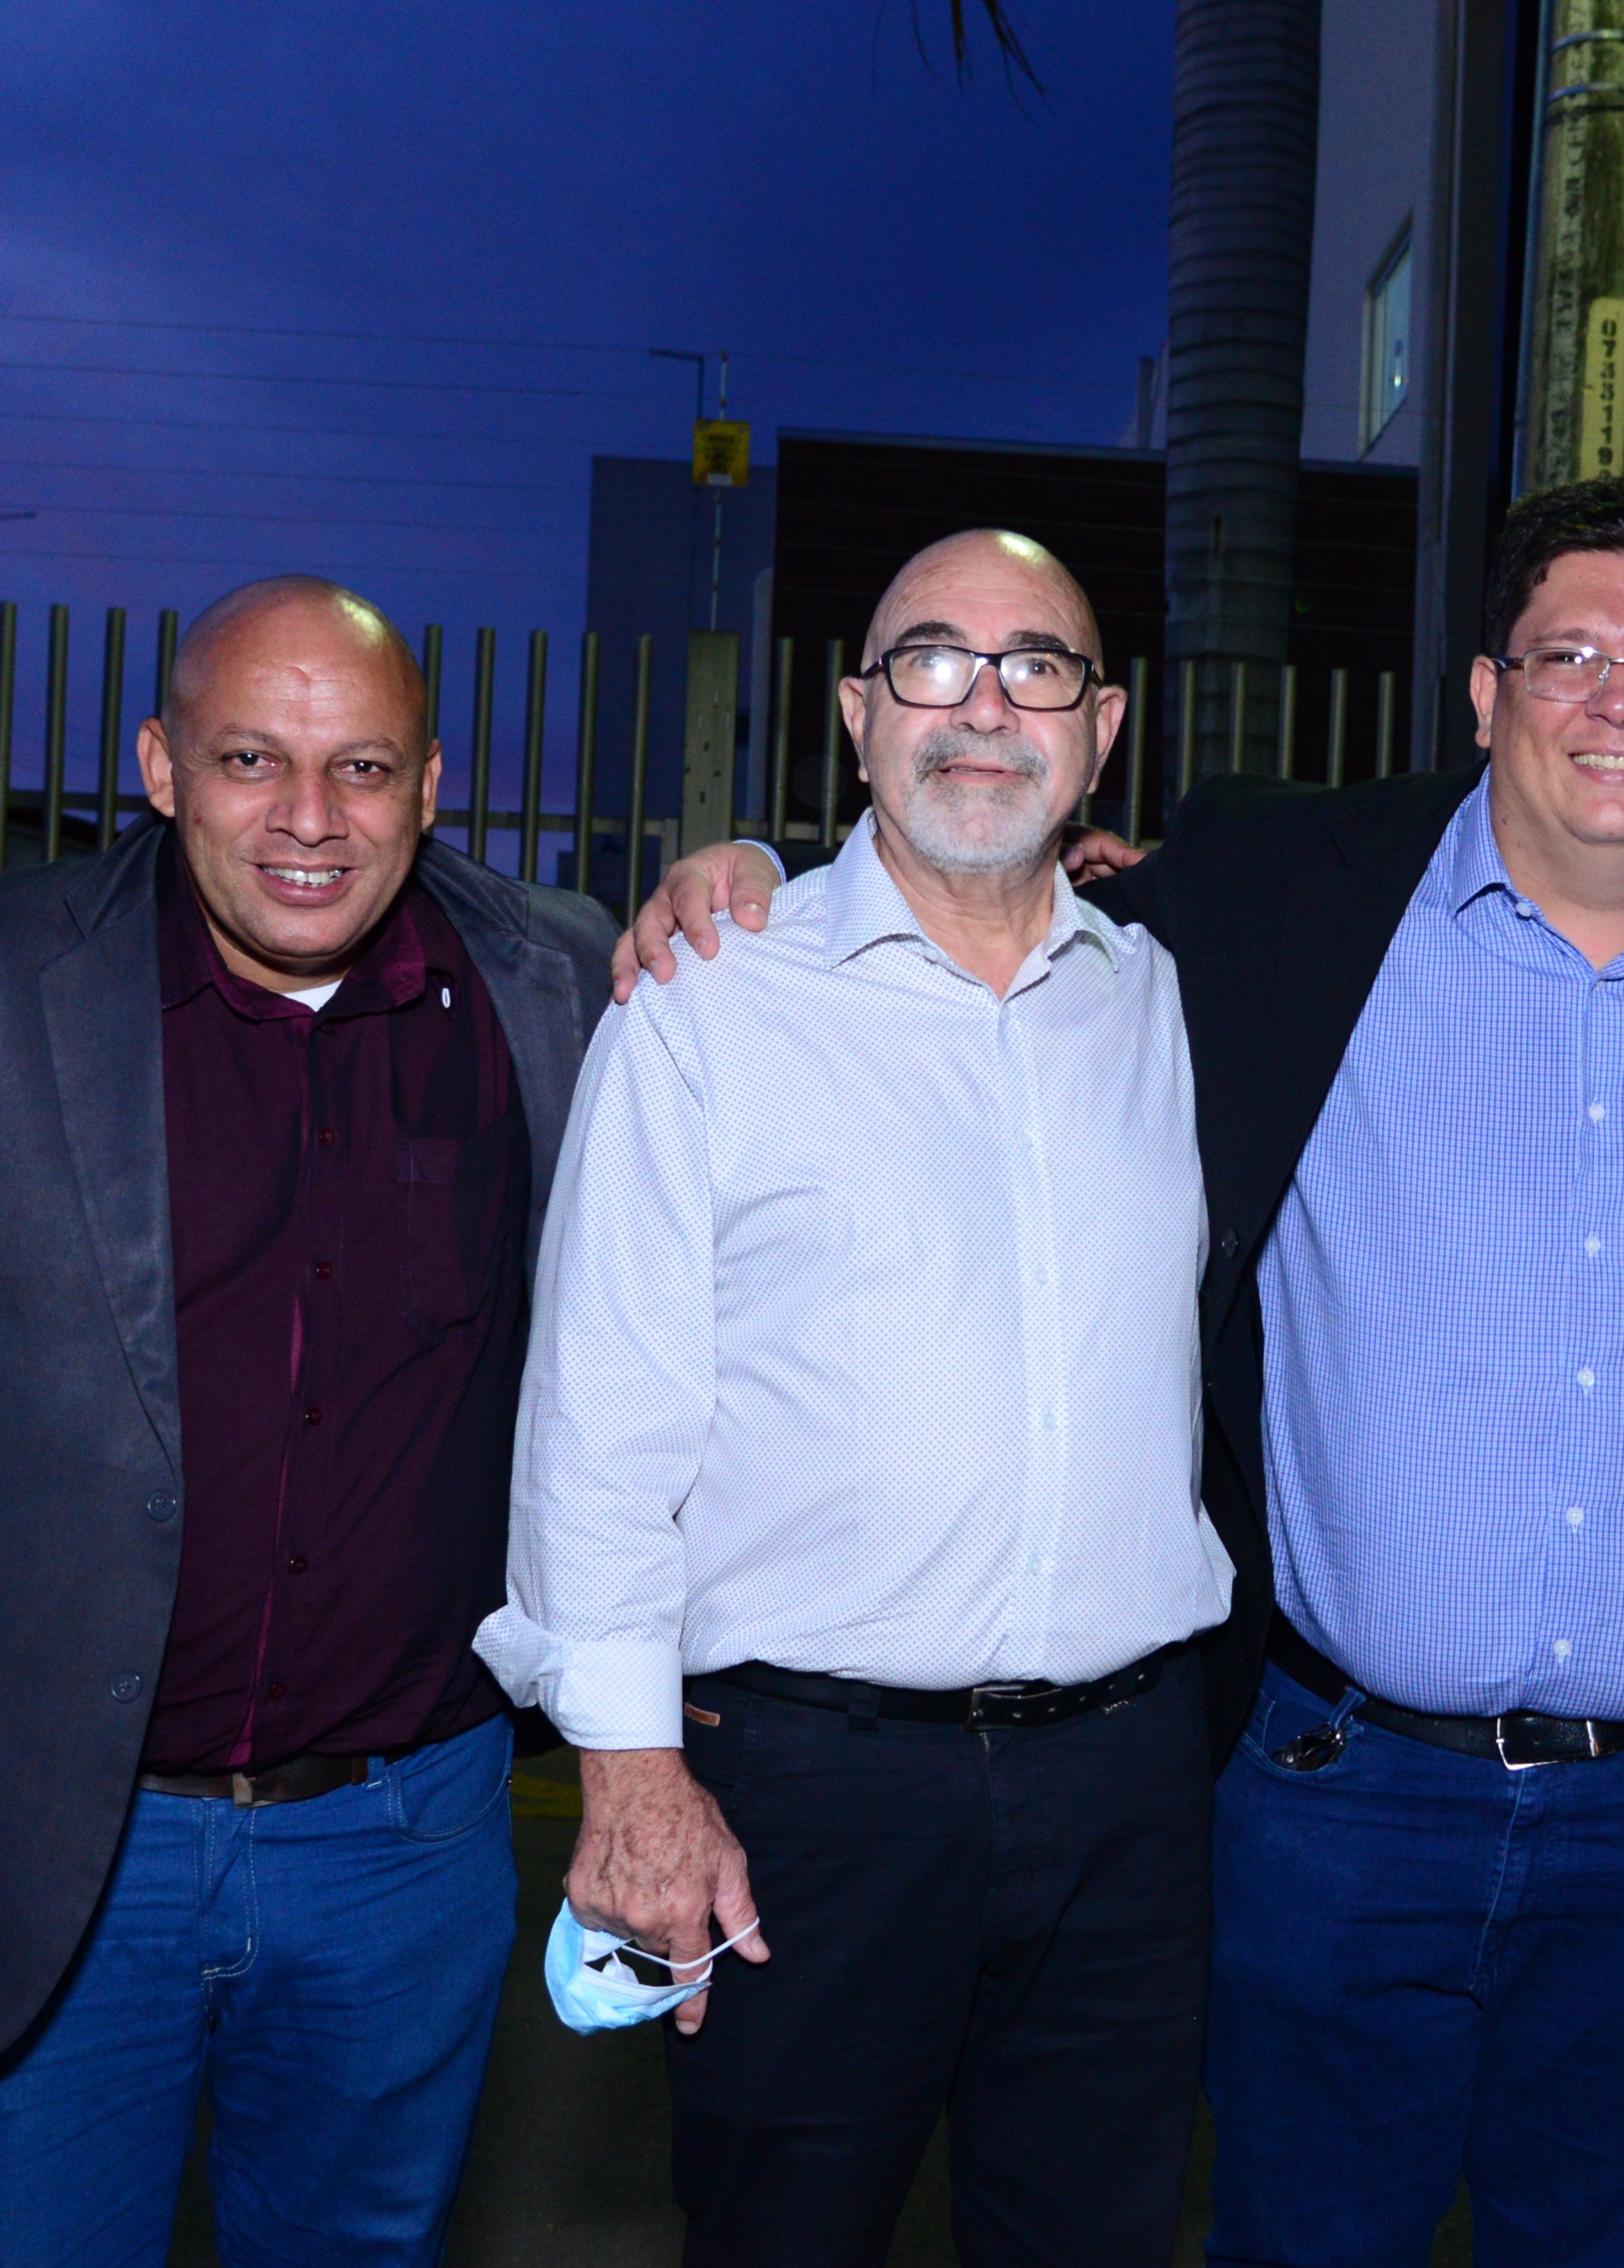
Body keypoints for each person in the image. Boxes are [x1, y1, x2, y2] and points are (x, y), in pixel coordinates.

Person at [637, 479, 1624, 2265]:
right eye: (1566, 656)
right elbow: (973, 868)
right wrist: (755, 873)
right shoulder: (1279, 899)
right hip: (1340, 1792)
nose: (1618, 700)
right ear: (1484, 692)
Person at [0, 577, 622, 2264]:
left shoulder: (565, 982)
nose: (310, 818)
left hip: (403, 1842)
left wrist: (752, 872)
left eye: (363, 767)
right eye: (250, 757)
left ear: (432, 784)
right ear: (159, 764)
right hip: (46, 1838)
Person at [478, 528, 1235, 2266]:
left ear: (1102, 728)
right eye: (930, 661)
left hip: (1130, 1793)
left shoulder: (1167, 997)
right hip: (812, 1792)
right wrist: (631, 1774)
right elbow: (599, 1417)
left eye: (1037, 666)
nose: (982, 707)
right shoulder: (708, 999)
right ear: (855, 713)